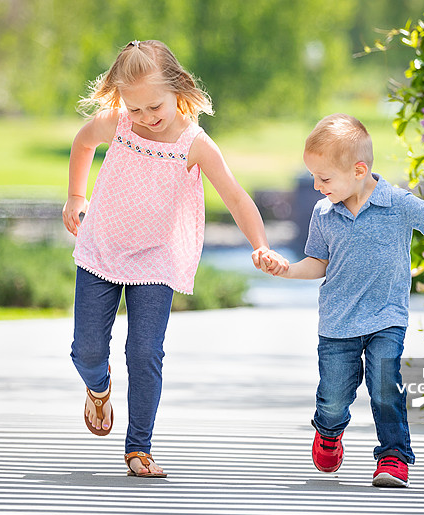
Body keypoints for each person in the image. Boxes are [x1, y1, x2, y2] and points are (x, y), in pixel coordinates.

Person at [62, 39, 284, 478]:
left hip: (157, 260)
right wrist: (75, 196)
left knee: (145, 352)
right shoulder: (118, 123)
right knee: (86, 350)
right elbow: (82, 142)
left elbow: (236, 198)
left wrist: (260, 243)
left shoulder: (194, 143)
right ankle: (98, 385)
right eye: (135, 108)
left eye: (154, 107)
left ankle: (139, 447)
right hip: (102, 245)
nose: (144, 117)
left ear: (178, 88)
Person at [259, 113, 424, 487]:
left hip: (386, 318)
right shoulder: (324, 213)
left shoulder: (397, 203)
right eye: (313, 176)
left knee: (385, 389)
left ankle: (393, 458)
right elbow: (318, 263)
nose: (315, 186)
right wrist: (287, 271)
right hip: (338, 322)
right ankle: (328, 432)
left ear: (359, 170)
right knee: (333, 398)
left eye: (324, 178)